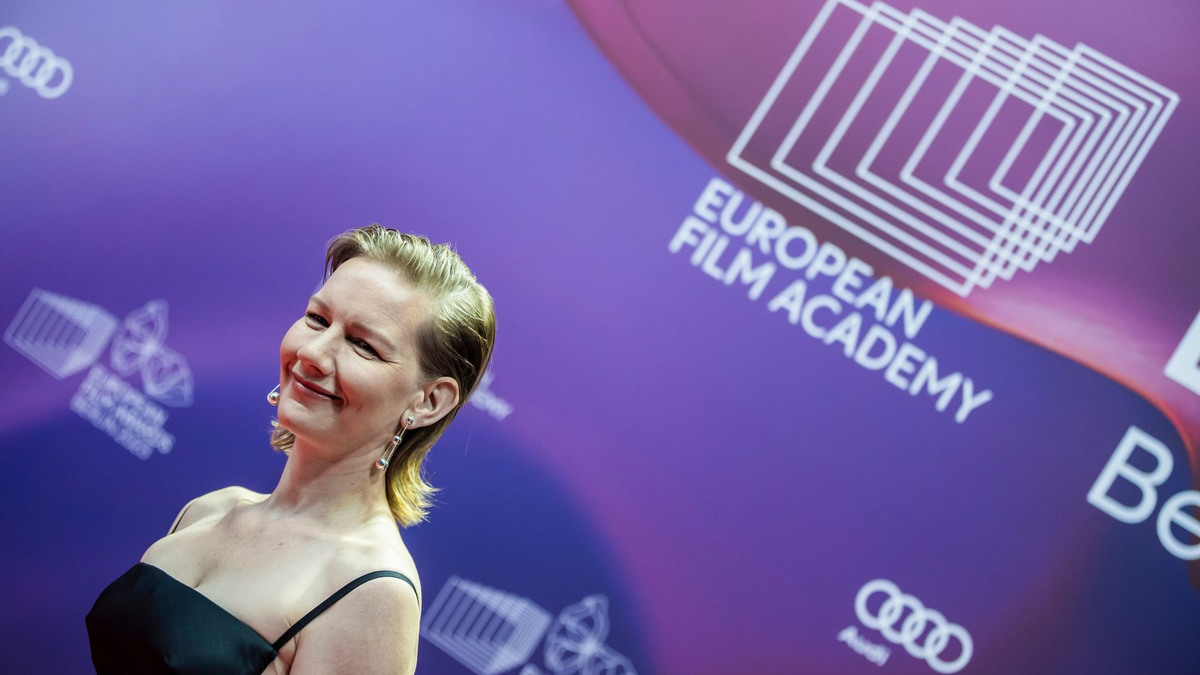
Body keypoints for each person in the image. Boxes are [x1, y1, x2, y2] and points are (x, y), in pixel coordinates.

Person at [85, 225, 497, 675]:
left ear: (428, 401)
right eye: (317, 319)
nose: (313, 353)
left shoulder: (373, 590)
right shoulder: (208, 510)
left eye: (363, 345)